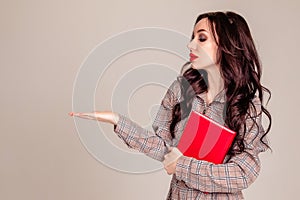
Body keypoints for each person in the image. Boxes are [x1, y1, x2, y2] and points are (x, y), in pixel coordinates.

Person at [69, 11, 272, 199]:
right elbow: (164, 148)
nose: (191, 45)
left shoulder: (245, 103)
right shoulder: (181, 90)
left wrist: (182, 166)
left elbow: (244, 173)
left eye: (201, 38)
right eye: (192, 38)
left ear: (227, 44)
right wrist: (117, 120)